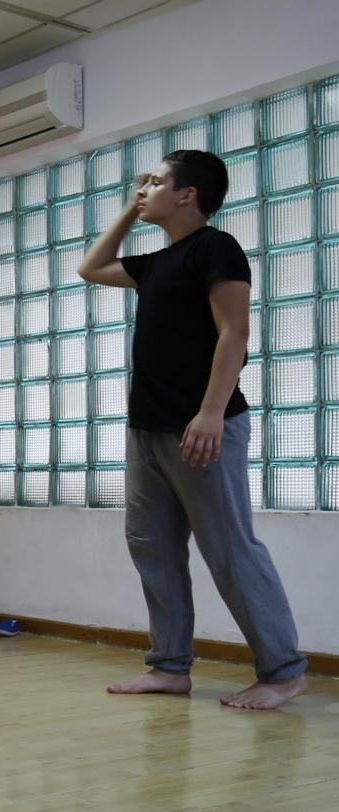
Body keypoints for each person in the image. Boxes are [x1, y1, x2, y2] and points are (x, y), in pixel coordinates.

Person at [80, 149, 307, 710]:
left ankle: (282, 672)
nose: (145, 189)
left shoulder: (215, 247)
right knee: (151, 546)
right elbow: (91, 267)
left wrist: (210, 412)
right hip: (148, 429)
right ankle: (169, 667)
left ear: (188, 195)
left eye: (156, 182)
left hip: (205, 426)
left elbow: (234, 333)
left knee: (229, 549)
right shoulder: (157, 263)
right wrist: (131, 208)